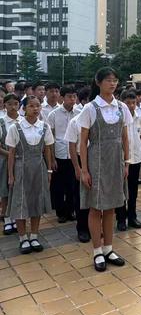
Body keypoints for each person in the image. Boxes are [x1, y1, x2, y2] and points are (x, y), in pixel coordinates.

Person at [78, 67, 131, 272]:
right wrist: (84, 170)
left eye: (115, 80)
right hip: (96, 161)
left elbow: (125, 137)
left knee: (111, 207)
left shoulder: (121, 107)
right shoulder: (90, 108)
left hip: (116, 161)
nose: (113, 84)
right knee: (95, 207)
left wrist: (126, 162)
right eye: (109, 80)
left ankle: (109, 248)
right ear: (98, 82)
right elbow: (82, 142)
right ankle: (97, 251)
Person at [6, 96, 54, 254]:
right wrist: (11, 175)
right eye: (31, 106)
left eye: (38, 106)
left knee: (36, 201)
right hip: (21, 168)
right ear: (24, 108)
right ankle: (22, 238)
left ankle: (34, 235)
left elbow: (47, 149)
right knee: (21, 202)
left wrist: (48, 170)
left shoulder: (44, 126)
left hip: (39, 168)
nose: (35, 109)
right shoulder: (16, 127)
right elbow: (11, 153)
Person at [115, 90, 141, 231]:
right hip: (121, 160)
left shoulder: (139, 118)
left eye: (133, 103)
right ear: (121, 103)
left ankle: (132, 216)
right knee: (121, 190)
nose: (130, 105)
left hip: (136, 158)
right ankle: (121, 218)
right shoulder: (117, 119)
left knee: (133, 190)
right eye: (127, 103)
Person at [64, 91, 91, 244]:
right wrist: (77, 168)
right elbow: (72, 147)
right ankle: (82, 229)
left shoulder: (94, 120)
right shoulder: (75, 122)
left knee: (93, 195)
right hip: (80, 160)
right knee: (80, 196)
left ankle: (93, 226)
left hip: (93, 159)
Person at [47, 85, 77, 224]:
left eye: (74, 96)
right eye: (69, 97)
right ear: (62, 98)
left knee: (72, 185)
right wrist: (52, 159)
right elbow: (50, 138)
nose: (72, 99)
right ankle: (60, 212)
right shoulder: (53, 114)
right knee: (59, 186)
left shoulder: (79, 113)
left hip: (74, 155)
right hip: (59, 154)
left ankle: (71, 210)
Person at [1, 94, 21, 236]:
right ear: (4, 105)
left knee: (18, 190)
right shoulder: (2, 122)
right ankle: (7, 219)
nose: (13, 107)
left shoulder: (24, 120)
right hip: (6, 160)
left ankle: (16, 218)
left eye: (15, 104)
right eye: (10, 104)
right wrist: (11, 155)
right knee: (5, 190)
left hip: (21, 161)